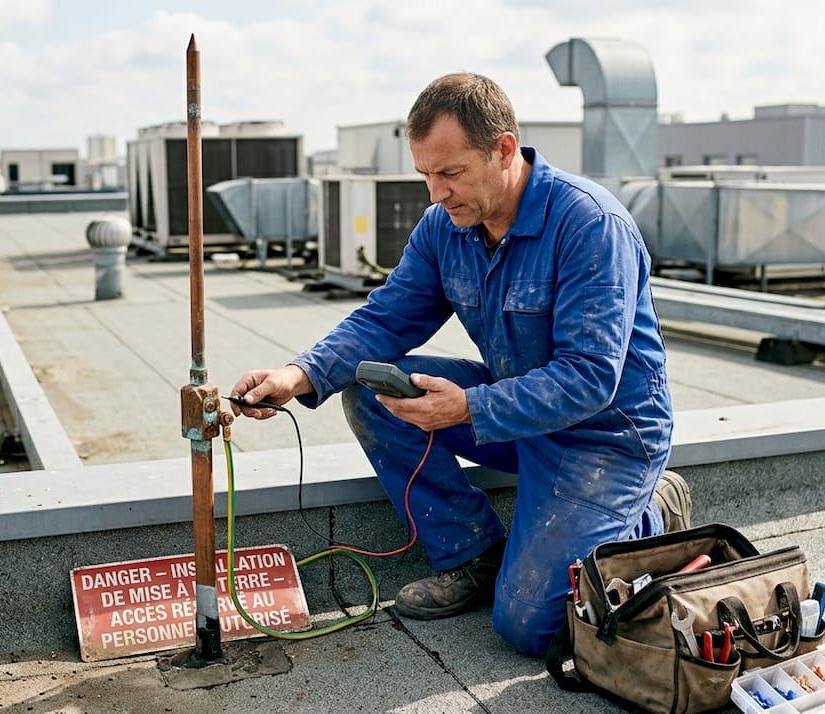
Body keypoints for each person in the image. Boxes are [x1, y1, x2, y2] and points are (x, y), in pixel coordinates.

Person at [228, 72, 688, 657]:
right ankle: (471, 554)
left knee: (532, 627)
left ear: (503, 148)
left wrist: (468, 406)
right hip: (517, 414)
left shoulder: (590, 225)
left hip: (604, 439)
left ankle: (652, 511)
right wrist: (297, 376)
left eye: (450, 173)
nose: (436, 193)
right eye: (425, 175)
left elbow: (590, 376)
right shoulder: (446, 226)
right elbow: (387, 318)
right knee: (372, 392)